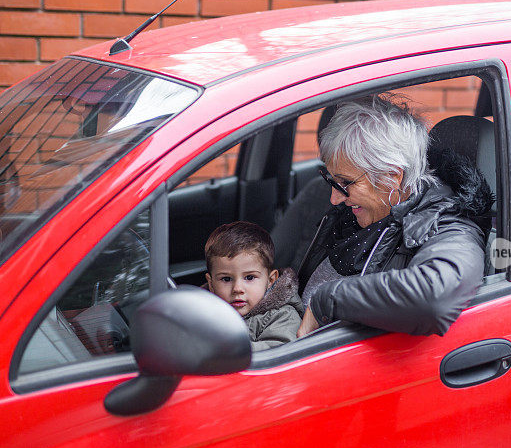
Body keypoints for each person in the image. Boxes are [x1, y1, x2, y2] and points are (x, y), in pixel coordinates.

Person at [296, 94, 493, 338]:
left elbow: (433, 298)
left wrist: (327, 301)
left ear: (392, 177)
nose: (334, 199)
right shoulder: (358, 212)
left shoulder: (450, 226)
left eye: (345, 183)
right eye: (332, 180)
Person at [205, 221, 304, 351]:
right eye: (226, 279)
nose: (237, 289)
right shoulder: (204, 311)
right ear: (211, 284)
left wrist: (221, 350)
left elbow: (278, 352)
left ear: (270, 280)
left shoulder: (283, 316)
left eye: (249, 277)